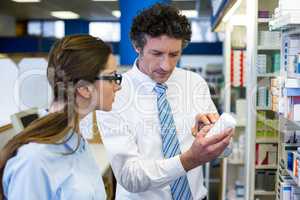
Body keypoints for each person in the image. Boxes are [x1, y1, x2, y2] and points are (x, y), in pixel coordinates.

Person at [97, 3, 233, 200]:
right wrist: (189, 159)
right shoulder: (114, 94)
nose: (166, 65)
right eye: (157, 54)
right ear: (137, 46)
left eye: (174, 54)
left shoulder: (193, 83)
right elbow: (130, 177)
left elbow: (224, 152)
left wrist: (215, 135)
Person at [0, 35, 122, 200]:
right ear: (84, 88)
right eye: (112, 77)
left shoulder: (77, 142)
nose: (118, 86)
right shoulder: (34, 161)